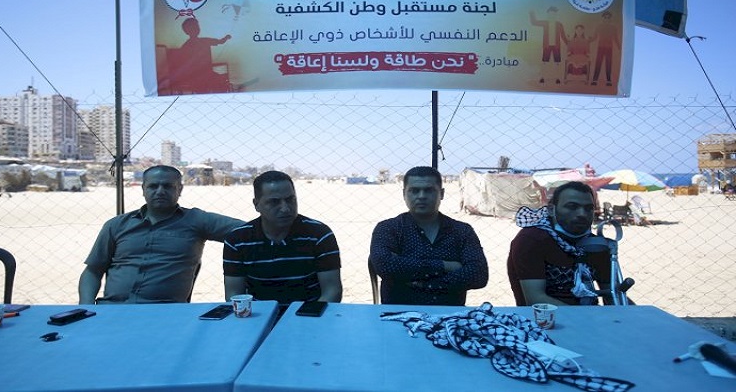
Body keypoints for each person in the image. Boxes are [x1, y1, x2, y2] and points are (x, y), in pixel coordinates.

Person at [78, 165, 243, 304]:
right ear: (143, 189)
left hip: (165, 311)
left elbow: (248, 231)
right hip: (112, 308)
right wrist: (87, 306)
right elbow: (93, 270)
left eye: (168, 186)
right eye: (153, 186)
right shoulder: (117, 225)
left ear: (180, 189)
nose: (160, 191)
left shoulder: (196, 220)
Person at [223, 171, 342, 310]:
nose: (285, 208)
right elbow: (234, 295)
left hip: (309, 315)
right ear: (256, 205)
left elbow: (332, 291)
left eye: (290, 199)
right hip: (258, 315)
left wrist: (305, 317)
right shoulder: (237, 240)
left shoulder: (319, 235)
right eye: (274, 202)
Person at [369, 166, 488, 305]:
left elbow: (479, 275)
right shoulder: (388, 228)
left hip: (450, 314)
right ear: (404, 194)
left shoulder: (462, 231)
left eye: (429, 190)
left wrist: (423, 283)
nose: (421, 196)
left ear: (441, 194)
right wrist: (445, 266)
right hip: (399, 313)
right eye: (414, 191)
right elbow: (385, 266)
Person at [507, 181, 613, 306]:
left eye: (589, 208)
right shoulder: (532, 240)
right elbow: (535, 299)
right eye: (572, 207)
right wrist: (586, 316)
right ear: (551, 210)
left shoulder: (596, 245)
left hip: (591, 313)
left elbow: (612, 293)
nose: (582, 214)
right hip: (546, 317)